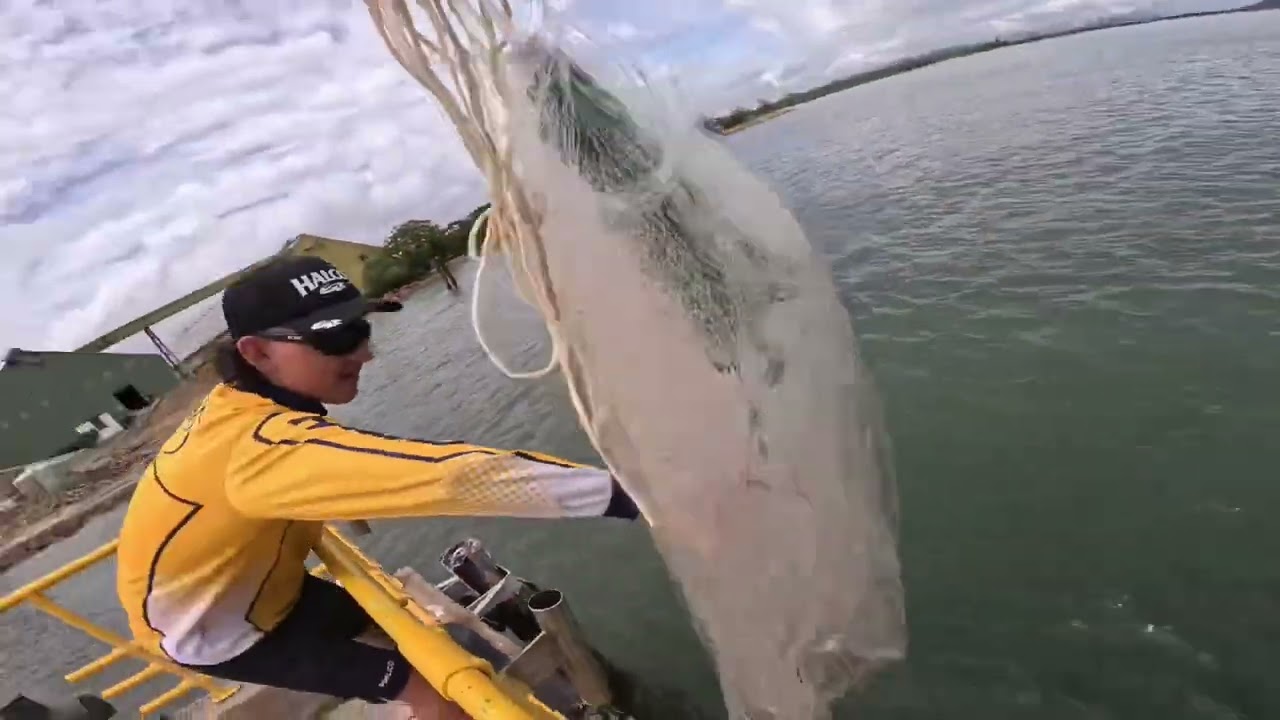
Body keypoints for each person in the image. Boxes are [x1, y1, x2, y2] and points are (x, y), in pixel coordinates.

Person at [115, 256, 640, 719]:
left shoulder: (236, 407)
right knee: (438, 693)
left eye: (362, 329)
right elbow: (451, 476)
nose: (365, 353)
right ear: (256, 354)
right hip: (219, 632)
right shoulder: (261, 449)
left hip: (264, 591)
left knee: (405, 634)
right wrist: (633, 496)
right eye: (335, 337)